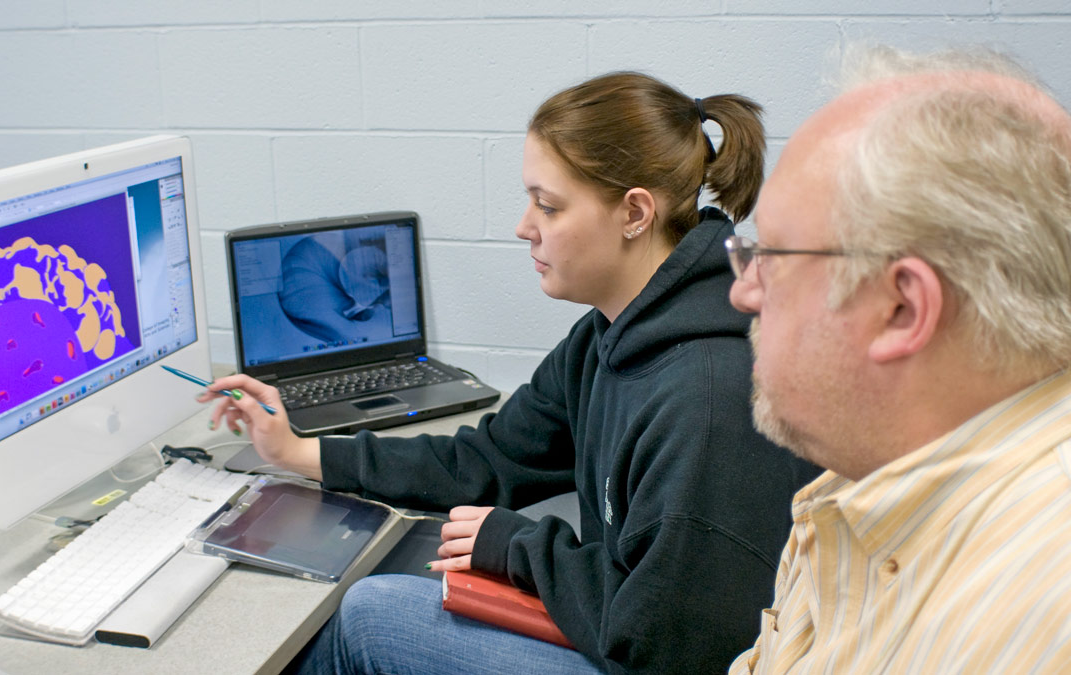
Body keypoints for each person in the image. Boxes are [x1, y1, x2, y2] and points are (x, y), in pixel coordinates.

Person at [203, 71, 819, 674]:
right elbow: (490, 460)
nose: (524, 227)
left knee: (370, 613)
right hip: (630, 629)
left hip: (661, 657)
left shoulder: (705, 396)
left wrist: (520, 548)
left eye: (547, 206)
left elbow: (670, 644)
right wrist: (300, 452)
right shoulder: (608, 335)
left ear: (635, 213)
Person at [726, 45, 1071, 674]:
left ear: (902, 309)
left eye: (771, 255)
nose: (743, 290)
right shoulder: (861, 479)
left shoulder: (1043, 607)